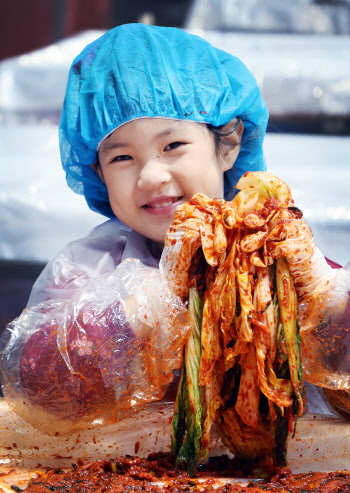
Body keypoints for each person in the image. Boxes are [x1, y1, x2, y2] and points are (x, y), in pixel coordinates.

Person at [0, 24, 349, 429]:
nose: (149, 176)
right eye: (121, 158)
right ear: (97, 172)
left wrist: (327, 298)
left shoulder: (281, 255)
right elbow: (39, 392)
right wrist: (145, 308)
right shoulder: (88, 269)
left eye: (173, 146)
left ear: (230, 142)